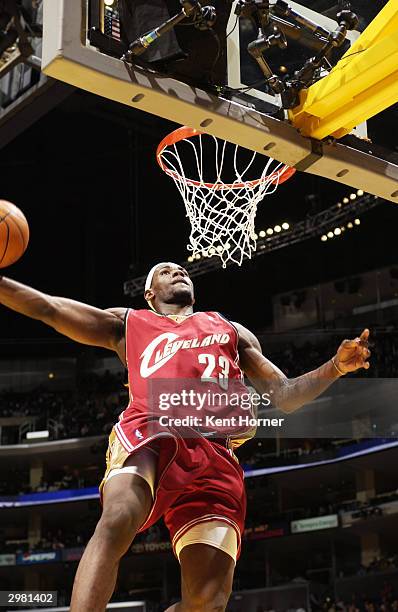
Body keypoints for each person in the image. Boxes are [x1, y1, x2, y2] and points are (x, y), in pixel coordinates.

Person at [0, 263, 371, 611]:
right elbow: (48, 309)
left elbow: (286, 395)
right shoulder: (130, 323)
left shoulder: (230, 330)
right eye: (165, 271)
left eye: (181, 269)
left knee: (207, 603)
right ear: (149, 293)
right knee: (117, 519)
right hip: (151, 429)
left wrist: (336, 366)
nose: (177, 271)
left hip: (215, 454)